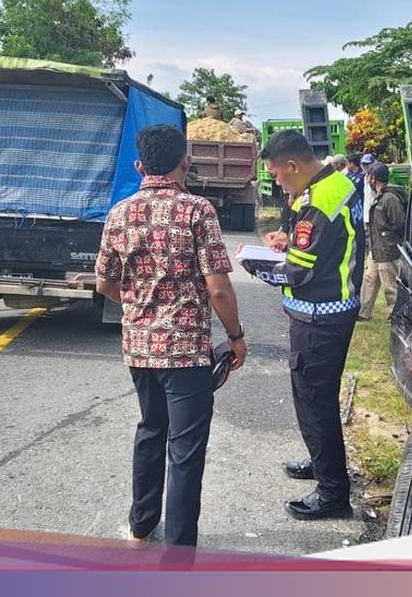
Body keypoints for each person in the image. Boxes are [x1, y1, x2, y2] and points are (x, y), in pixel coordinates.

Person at [94, 124, 247, 549]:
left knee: (150, 428)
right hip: (186, 354)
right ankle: (179, 551)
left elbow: (103, 283)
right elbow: (217, 287)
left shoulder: (119, 213)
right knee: (184, 450)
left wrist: (139, 302)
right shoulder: (198, 211)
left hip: (139, 348)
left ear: (140, 165)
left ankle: (141, 525)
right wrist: (235, 336)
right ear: (186, 160)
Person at [241, 129, 359, 521]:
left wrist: (256, 265)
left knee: (314, 400)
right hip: (333, 307)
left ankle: (332, 493)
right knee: (316, 397)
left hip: (318, 314)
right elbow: (318, 244)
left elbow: (297, 272)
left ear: (293, 165)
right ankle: (321, 461)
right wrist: (286, 238)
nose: (276, 182)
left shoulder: (317, 201)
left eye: (276, 175)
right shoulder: (336, 182)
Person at [358, 163, 406, 321]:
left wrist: (389, 240)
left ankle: (395, 316)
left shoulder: (389, 199)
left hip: (387, 249)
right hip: (376, 248)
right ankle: (363, 313)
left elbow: (399, 224)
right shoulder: (378, 197)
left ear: (373, 178)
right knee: (369, 280)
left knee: (390, 286)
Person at [359, 153, 377, 229]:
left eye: (368, 164)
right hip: (367, 214)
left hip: (375, 215)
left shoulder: (376, 177)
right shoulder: (365, 177)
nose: (366, 166)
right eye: (364, 164)